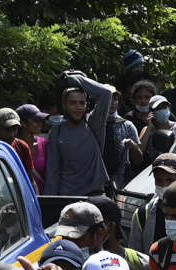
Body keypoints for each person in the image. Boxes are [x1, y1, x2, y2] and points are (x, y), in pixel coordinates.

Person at [42, 70, 129, 209]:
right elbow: (52, 172)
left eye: (82, 103)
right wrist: (48, 204)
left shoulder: (94, 123)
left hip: (94, 195)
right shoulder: (57, 132)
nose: (78, 108)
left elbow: (105, 94)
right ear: (64, 105)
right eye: (73, 103)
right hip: (67, 197)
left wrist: (75, 79)